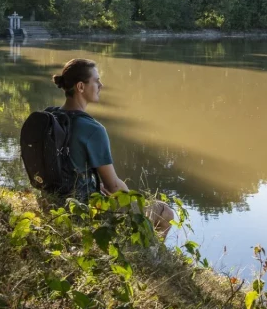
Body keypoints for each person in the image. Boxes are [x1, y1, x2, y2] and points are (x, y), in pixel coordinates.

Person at [54, 58, 176, 235]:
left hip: (55, 200)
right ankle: (150, 253)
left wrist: (94, 183)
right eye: (96, 81)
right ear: (80, 87)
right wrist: (138, 206)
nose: (101, 85)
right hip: (83, 210)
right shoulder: (92, 129)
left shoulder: (52, 116)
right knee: (165, 212)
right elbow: (114, 188)